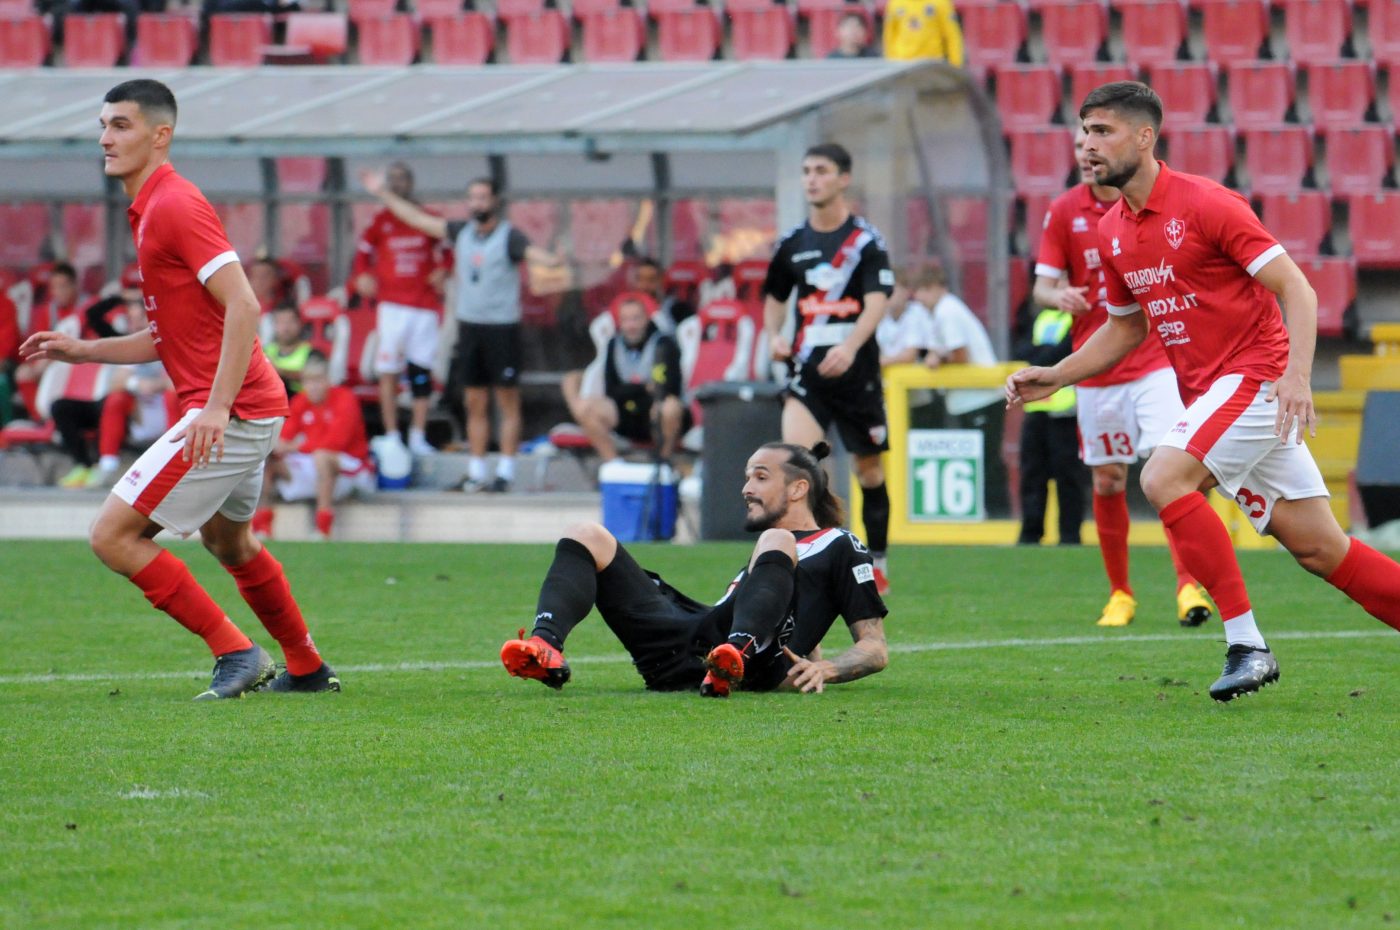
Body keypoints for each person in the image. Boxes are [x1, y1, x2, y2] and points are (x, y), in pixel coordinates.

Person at [1007, 81, 1400, 702]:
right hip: (1215, 395)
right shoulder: (1112, 230)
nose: (1087, 145)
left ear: (1145, 136)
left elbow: (1297, 288)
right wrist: (1057, 374)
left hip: (1256, 376)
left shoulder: (1208, 203)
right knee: (1321, 549)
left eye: (1102, 131)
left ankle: (1247, 645)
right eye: (1084, 132)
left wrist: (1296, 377)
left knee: (1163, 477)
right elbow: (1125, 327)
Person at [21, 78, 339, 698]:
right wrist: (86, 349)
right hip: (244, 407)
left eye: (121, 125)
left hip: (232, 411)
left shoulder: (174, 204)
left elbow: (245, 305)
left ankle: (236, 652)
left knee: (112, 537)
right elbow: (173, 331)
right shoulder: (151, 209)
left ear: (160, 135)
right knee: (229, 541)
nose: (106, 139)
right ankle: (305, 667)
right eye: (103, 126)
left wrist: (215, 408)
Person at [500, 441, 888, 696]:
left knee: (776, 539)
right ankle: (544, 644)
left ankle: (733, 659)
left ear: (799, 489)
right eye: (747, 478)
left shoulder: (839, 544)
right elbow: (793, 612)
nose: (746, 489)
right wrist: (810, 651)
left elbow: (874, 647)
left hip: (747, 660)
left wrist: (827, 669)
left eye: (760, 477)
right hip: (692, 642)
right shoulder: (774, 550)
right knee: (586, 534)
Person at [1035, 127, 1213, 628]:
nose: (1086, 152)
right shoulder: (1064, 211)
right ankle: (1120, 593)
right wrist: (1058, 296)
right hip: (1096, 367)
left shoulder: (1151, 203)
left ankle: (1189, 585)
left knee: (1173, 469)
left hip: (1154, 361)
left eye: (1093, 142)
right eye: (1078, 146)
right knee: (1108, 478)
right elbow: (1041, 286)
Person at [362, 170, 564, 493]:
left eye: (483, 197)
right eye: (472, 198)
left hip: (501, 328)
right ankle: (476, 471)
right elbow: (418, 219)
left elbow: (532, 254)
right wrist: (384, 194)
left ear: (495, 201)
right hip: (470, 328)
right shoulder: (461, 232)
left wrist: (553, 260)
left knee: (507, 400)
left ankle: (506, 471)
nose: (476, 204)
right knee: (474, 400)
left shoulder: (509, 236)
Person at [763, 142, 895, 594]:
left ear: (843, 178)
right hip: (808, 372)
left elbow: (877, 301)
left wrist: (852, 346)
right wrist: (774, 336)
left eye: (821, 170)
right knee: (798, 468)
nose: (812, 179)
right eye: (806, 171)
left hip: (857, 374)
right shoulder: (792, 243)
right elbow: (775, 298)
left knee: (869, 471)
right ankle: (808, 562)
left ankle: (877, 562)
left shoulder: (865, 242)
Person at [350, 161, 448, 457]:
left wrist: (444, 270)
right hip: (392, 306)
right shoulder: (381, 221)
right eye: (392, 179)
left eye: (402, 178)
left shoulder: (428, 219)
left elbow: (449, 251)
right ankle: (392, 434)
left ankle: (418, 435)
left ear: (411, 182)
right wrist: (362, 275)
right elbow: (362, 254)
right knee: (388, 370)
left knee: (420, 371)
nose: (397, 183)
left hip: (423, 305)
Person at [254, 352, 374, 541]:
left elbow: (335, 443)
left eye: (318, 380)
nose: (314, 386)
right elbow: (283, 438)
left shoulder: (345, 398)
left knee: (322, 456)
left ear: (328, 380)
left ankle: (323, 527)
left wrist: (294, 447)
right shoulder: (300, 401)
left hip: (350, 468)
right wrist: (282, 447)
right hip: (310, 463)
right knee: (267, 460)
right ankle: (262, 526)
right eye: (309, 381)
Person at [573, 295, 685, 463]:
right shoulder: (613, 344)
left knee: (670, 407)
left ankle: (663, 461)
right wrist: (643, 388)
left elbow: (667, 388)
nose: (631, 325)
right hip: (625, 413)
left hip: (654, 415)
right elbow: (611, 390)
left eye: (635, 319)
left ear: (646, 319)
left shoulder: (663, 345)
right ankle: (614, 464)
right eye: (625, 320)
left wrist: (634, 390)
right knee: (585, 406)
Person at [1014, 306, 1085, 546]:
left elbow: (1065, 351)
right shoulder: (1042, 317)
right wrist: (1046, 353)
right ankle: (1030, 535)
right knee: (1032, 474)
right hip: (1036, 409)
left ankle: (1070, 536)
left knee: (1068, 477)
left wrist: (1042, 352)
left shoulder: (1076, 317)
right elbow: (1022, 348)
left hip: (1066, 411)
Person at [876, 266, 934, 367]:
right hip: (890, 375)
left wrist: (877, 363)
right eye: (883, 289)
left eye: (891, 289)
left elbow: (909, 356)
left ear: (906, 291)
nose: (887, 294)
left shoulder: (917, 313)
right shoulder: (881, 316)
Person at [882, 0, 964, 65]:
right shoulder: (896, 2)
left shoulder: (940, 2)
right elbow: (889, 36)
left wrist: (955, 66)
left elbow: (952, 36)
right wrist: (891, 64)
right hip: (902, 64)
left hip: (931, 64)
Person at [632, 256, 694, 334]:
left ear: (661, 280)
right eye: (640, 279)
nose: (645, 285)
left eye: (651, 280)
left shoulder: (677, 309)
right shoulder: (626, 309)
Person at [263, 304, 312, 395]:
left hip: (298, 399)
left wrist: (279, 371)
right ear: (274, 325)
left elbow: (311, 377)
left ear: (299, 323)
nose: (286, 327)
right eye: (281, 322)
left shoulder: (310, 352)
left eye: (290, 322)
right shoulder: (265, 351)